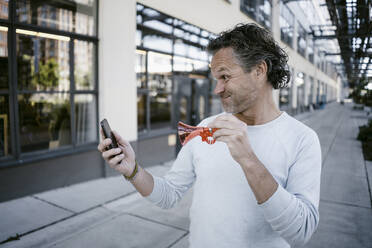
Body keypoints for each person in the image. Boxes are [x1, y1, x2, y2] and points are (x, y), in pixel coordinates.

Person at [97, 23, 322, 248]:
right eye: (216, 79)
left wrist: (248, 159)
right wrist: (133, 170)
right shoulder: (207, 127)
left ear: (259, 71)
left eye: (225, 77)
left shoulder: (302, 139)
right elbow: (169, 194)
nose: (217, 89)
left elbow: (300, 232)